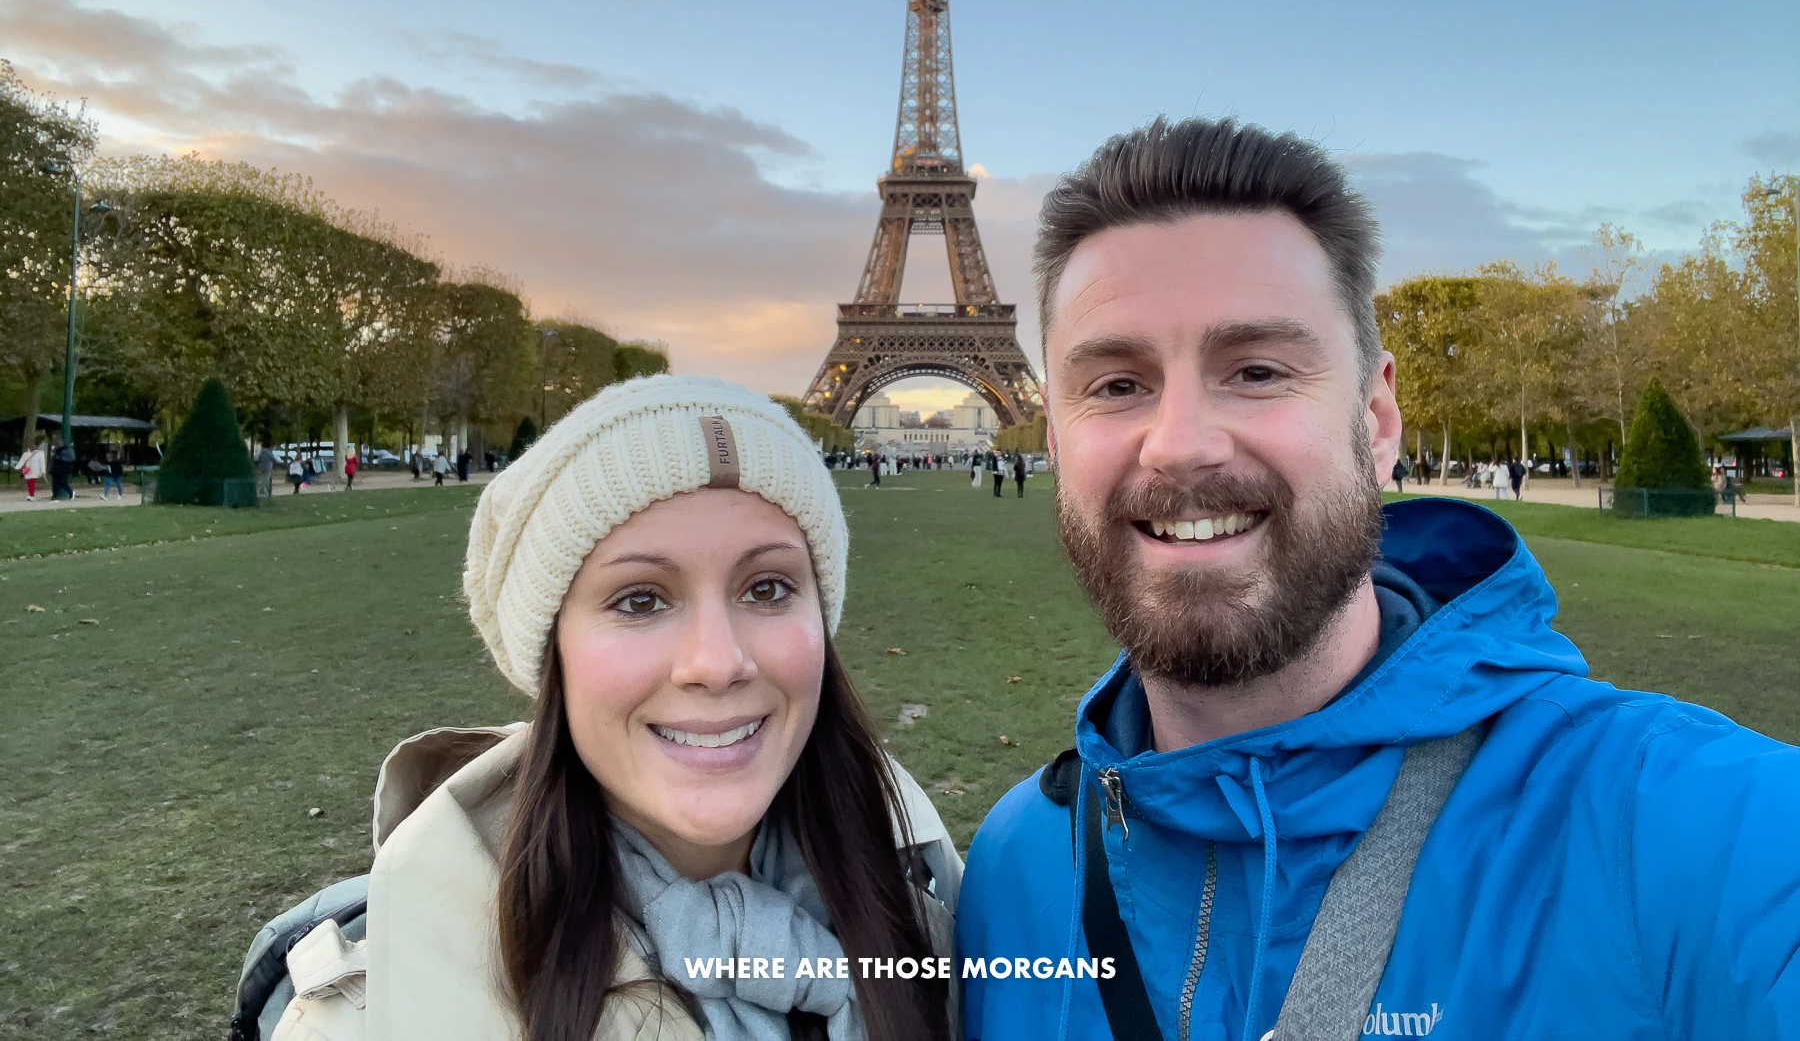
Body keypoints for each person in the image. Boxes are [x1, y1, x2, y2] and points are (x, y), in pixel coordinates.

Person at [954, 116, 1800, 1040]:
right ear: (1054, 440)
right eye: (1117, 385)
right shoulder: (1011, 870)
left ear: (1378, 419)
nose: (1181, 444)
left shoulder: (1691, 830)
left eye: (1257, 370)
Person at [266, 376, 958, 1041]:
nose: (717, 662)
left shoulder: (942, 909)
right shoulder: (358, 1021)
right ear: (553, 651)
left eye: (769, 588)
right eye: (640, 600)